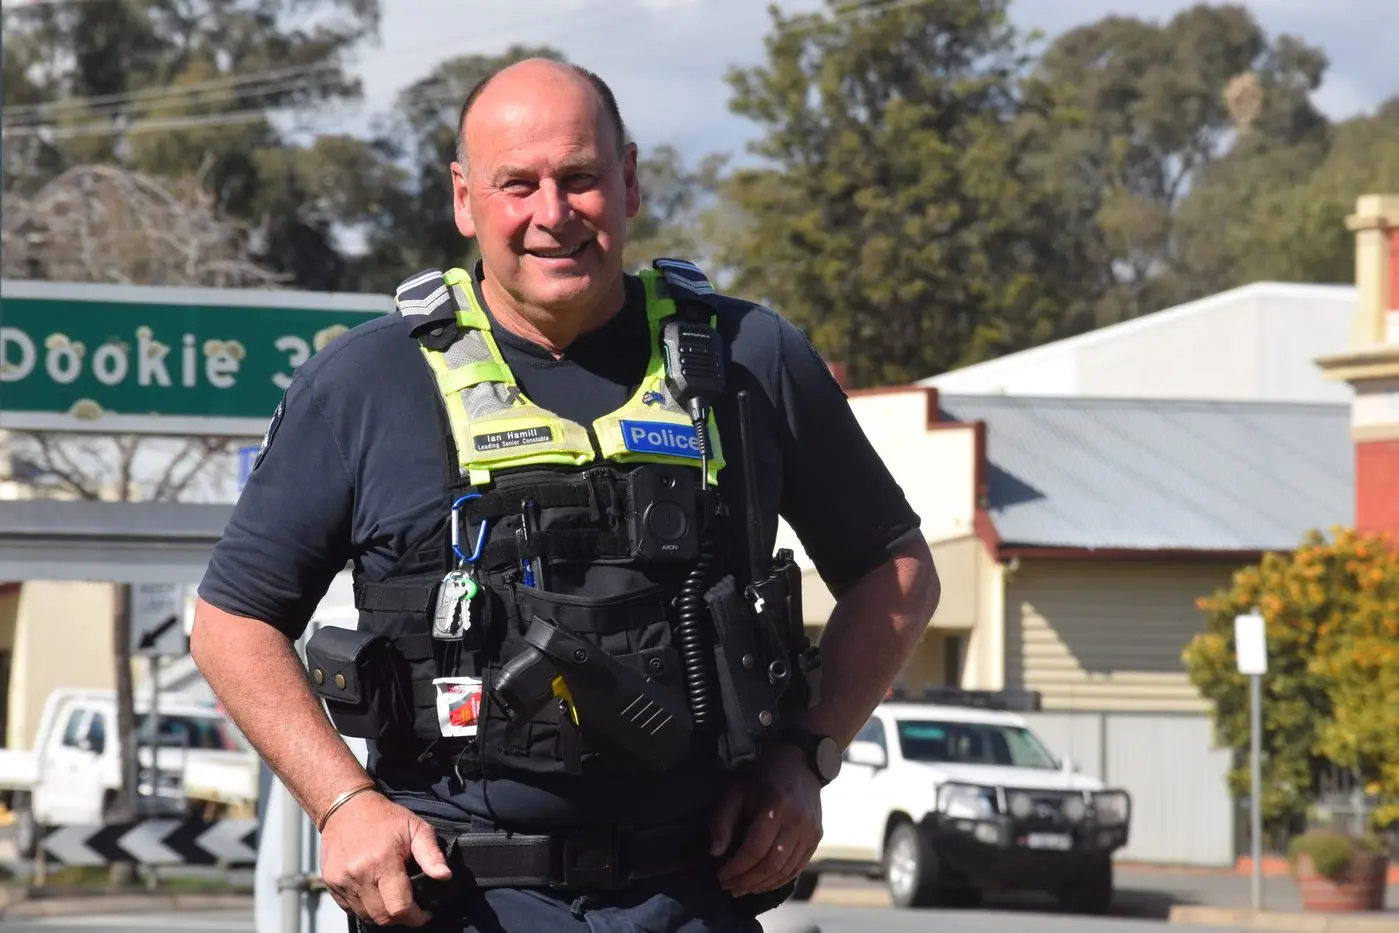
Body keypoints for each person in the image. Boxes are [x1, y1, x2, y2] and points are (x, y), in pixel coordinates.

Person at [190, 58, 940, 933]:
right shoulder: (367, 383)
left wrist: (808, 754)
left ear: (628, 180)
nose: (552, 213)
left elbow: (895, 573)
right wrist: (342, 800)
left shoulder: (750, 358)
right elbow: (231, 622)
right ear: (464, 199)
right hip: (456, 899)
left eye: (579, 177)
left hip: (692, 894)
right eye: (517, 184)